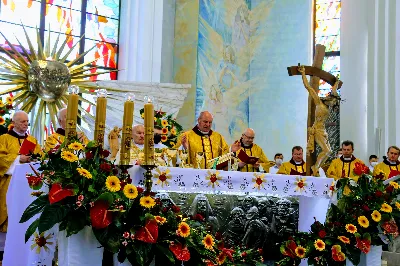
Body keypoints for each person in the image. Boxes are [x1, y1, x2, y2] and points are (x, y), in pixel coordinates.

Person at [0, 111, 42, 254]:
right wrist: (18, 159)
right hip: (8, 185)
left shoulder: (32, 141)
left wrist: (33, 159)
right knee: (9, 216)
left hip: (28, 187)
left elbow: (40, 159)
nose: (26, 124)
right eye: (22, 121)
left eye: (27, 121)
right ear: (14, 122)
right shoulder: (3, 139)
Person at [298, 66, 341, 176]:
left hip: (323, 129)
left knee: (329, 151)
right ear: (329, 99)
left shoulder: (328, 107)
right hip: (317, 129)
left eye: (334, 102)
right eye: (333, 101)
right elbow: (308, 87)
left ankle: (317, 166)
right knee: (327, 151)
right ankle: (315, 167)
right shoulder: (319, 102)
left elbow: (334, 90)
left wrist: (336, 82)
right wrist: (303, 73)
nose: (333, 104)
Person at [174, 111, 240, 169]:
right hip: (195, 175)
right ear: (199, 120)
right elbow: (176, 156)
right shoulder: (186, 136)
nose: (208, 125)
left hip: (213, 176)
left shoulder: (218, 137)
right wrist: (184, 147)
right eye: (205, 122)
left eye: (210, 122)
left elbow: (223, 154)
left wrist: (231, 150)